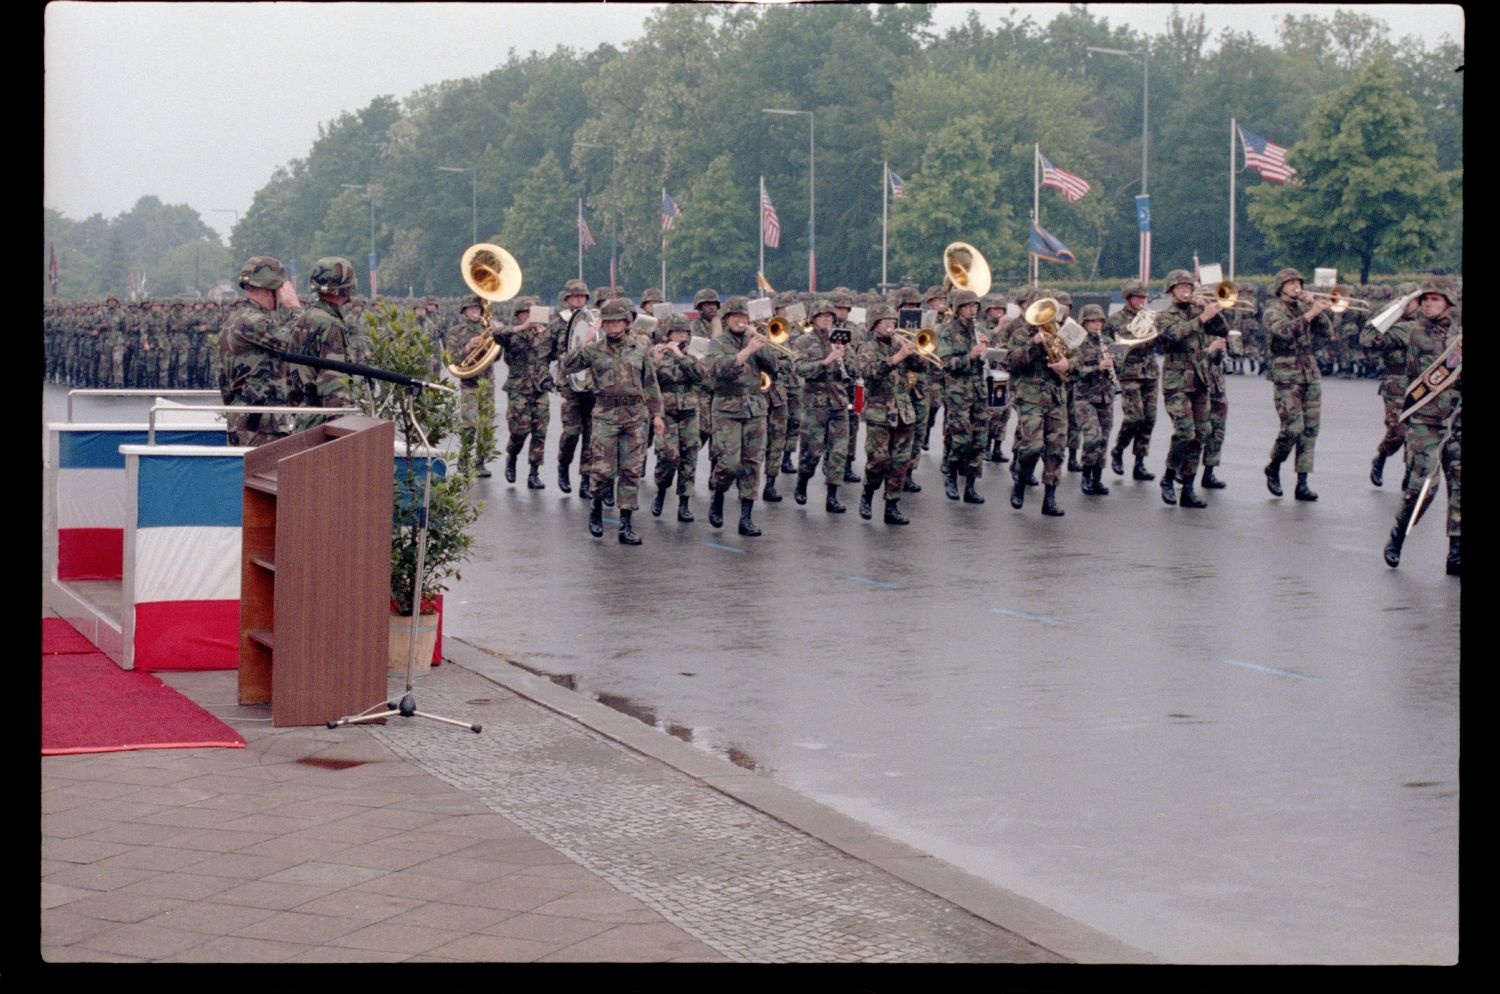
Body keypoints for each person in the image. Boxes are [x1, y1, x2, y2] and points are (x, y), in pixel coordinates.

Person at [1364, 278, 1461, 574]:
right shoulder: (1410, 331)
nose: (1429, 304)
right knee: (1422, 489)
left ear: (1448, 304)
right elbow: (1368, 337)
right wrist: (1400, 305)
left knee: (1459, 485)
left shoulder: (1459, 336)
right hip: (1425, 422)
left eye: (1435, 299)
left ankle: (1455, 551)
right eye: (1425, 299)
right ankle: (1398, 535)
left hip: (1456, 419)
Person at [560, 297, 665, 545]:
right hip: (606, 415)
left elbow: (651, 384)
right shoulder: (595, 350)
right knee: (604, 471)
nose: (612, 326)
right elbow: (567, 366)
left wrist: (657, 414)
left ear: (627, 322)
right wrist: (586, 338)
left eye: (617, 321)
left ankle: (625, 524)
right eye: (607, 322)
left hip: (635, 416)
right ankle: (596, 509)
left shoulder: (640, 349)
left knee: (631, 471)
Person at [704, 295, 777, 535]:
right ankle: (718, 493)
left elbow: (775, 368)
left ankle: (746, 517)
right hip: (727, 409)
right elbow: (718, 371)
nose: (741, 321)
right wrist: (747, 350)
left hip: (755, 408)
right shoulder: (717, 343)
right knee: (729, 463)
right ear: (726, 319)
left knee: (752, 464)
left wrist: (761, 345)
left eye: (744, 317)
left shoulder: (754, 340)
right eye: (736, 317)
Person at [1156, 268, 1228, 509]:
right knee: (1185, 432)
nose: (1186, 291)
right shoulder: (1165, 315)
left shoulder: (1199, 310)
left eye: (1189, 287)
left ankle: (1188, 488)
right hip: (1176, 382)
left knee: (1201, 434)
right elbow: (1175, 335)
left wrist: (1213, 310)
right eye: (1181, 287)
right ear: (1171, 291)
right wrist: (1202, 318)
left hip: (1199, 380)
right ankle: (1168, 477)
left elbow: (1221, 330)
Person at [1262, 268, 1334, 501]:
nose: (1296, 286)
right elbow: (1284, 331)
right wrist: (1311, 313)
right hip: (1286, 373)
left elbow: (1327, 332)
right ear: (1280, 286)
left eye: (1298, 282)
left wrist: (1318, 310)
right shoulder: (1273, 310)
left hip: (1309, 372)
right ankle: (1274, 465)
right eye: (1291, 282)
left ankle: (1302, 482)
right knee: (1292, 428)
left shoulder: (1304, 307)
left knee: (1310, 430)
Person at [852, 304, 921, 524]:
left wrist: (913, 352)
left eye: (894, 322)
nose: (892, 327)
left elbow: (924, 368)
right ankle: (868, 493)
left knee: (900, 462)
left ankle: (892, 505)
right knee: (878, 460)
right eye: (886, 323)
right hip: (879, 411)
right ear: (875, 325)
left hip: (903, 411)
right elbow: (868, 372)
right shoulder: (867, 347)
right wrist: (897, 357)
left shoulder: (899, 344)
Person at [1005, 288, 1070, 516]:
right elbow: (1011, 362)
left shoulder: (1062, 332)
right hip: (1030, 396)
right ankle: (1020, 482)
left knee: (1056, 449)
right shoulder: (1021, 334)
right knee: (1031, 446)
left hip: (1055, 397)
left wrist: (1068, 365)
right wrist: (1033, 343)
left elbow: (1079, 358)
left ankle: (1049, 498)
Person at [219, 256, 293, 447]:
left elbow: (223, 380)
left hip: (247, 417)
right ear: (270, 291)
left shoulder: (239, 318)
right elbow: (295, 343)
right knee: (266, 476)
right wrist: (294, 308)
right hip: (260, 422)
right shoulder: (253, 321)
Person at [793, 299, 852, 513]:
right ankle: (802, 481)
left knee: (838, 452)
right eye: (823, 316)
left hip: (838, 402)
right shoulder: (803, 341)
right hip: (814, 404)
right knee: (812, 452)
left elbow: (855, 370)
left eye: (830, 316)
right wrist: (825, 362)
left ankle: (832, 496)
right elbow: (799, 368)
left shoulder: (842, 340)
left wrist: (845, 356)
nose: (827, 319)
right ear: (814, 319)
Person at [286, 257, 356, 433]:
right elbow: (334, 382)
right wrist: (342, 428)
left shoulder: (304, 318)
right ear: (345, 288)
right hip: (322, 422)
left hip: (304, 417)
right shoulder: (330, 324)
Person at [495, 295, 557, 489]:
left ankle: (534, 473)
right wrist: (522, 328)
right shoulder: (511, 333)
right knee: (519, 431)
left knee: (540, 432)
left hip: (539, 388)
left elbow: (559, 350)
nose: (530, 316)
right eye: (526, 313)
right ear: (518, 315)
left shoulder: (546, 334)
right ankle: (512, 457)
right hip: (518, 388)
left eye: (533, 313)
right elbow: (496, 334)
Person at [1362, 282, 1420, 488]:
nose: (1415, 305)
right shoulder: (1390, 326)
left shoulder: (1425, 325)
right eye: (1409, 301)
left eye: (1416, 301)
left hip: (1421, 384)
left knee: (1416, 433)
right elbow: (1367, 340)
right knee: (1398, 431)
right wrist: (1385, 312)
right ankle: (1381, 457)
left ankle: (1409, 475)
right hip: (1396, 384)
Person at [936, 288, 990, 504]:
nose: (972, 310)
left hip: (978, 390)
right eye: (968, 306)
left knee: (979, 440)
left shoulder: (980, 329)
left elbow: (989, 358)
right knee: (961, 439)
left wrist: (988, 350)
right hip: (958, 391)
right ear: (958, 309)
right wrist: (970, 356)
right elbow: (946, 364)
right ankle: (950, 474)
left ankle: (970, 485)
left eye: (975, 306)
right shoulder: (947, 331)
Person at [650, 315, 705, 522]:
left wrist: (680, 355)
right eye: (677, 332)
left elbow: (700, 375)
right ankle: (661, 492)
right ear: (668, 334)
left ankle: (684, 504)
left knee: (690, 457)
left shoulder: (693, 353)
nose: (681, 335)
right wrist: (656, 361)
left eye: (684, 332)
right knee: (668, 456)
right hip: (667, 412)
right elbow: (647, 381)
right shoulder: (657, 353)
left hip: (689, 411)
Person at [551, 278, 596, 497]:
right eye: (574, 296)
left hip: (592, 384)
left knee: (591, 434)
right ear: (567, 299)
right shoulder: (558, 323)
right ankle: (563, 466)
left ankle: (586, 480)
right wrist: (544, 376)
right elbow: (543, 352)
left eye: (582, 296)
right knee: (571, 431)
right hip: (569, 383)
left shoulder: (594, 319)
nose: (578, 300)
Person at [446, 293, 499, 477]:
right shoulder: (456, 332)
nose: (475, 312)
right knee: (469, 423)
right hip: (469, 383)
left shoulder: (489, 328)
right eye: (472, 309)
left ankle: (480, 462)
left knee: (485, 424)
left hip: (487, 382)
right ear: (464, 311)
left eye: (478, 309)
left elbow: (497, 356)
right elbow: (452, 359)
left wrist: (496, 337)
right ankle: (464, 458)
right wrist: (468, 347)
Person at [1069, 304, 1115, 497]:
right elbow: (1073, 371)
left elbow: (1119, 367)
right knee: (1092, 437)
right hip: (1084, 396)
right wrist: (1097, 367)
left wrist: (1115, 361)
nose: (1097, 325)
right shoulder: (1076, 342)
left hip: (1106, 396)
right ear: (1084, 322)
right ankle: (1086, 475)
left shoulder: (1107, 341)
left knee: (1103, 439)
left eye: (1099, 321)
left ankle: (1097, 477)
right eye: (1092, 321)